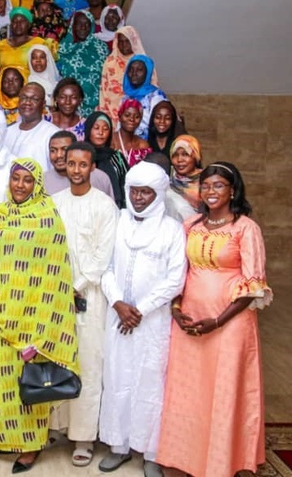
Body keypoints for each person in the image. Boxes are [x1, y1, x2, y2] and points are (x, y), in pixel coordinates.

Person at [157, 162, 272, 477]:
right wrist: (176, 310)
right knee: (189, 392)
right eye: (206, 185)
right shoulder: (190, 225)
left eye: (218, 185)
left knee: (223, 391)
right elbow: (179, 272)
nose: (210, 191)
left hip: (230, 324)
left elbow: (254, 285)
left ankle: (222, 461)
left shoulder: (245, 228)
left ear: (232, 190)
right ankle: (183, 458)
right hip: (190, 322)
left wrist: (218, 321)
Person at [0, 159, 79, 472]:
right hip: (3, 311)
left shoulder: (48, 216)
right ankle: (3, 437)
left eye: (28, 180)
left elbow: (58, 268)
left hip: (35, 313)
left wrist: (44, 319)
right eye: (16, 179)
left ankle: (31, 446)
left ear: (37, 184)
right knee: (3, 379)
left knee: (31, 382)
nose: (20, 185)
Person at [98, 160, 186, 477]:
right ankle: (119, 446)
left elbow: (175, 280)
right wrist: (119, 303)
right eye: (134, 191)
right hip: (117, 317)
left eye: (146, 192)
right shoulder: (118, 221)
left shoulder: (172, 230)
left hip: (152, 322)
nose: (138, 198)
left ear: (159, 194)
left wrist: (140, 309)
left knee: (150, 384)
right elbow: (105, 267)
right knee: (117, 379)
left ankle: (151, 452)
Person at [51, 142, 119, 468]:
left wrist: (74, 287)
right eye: (71, 163)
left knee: (88, 364)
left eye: (82, 164)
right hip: (55, 296)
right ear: (64, 165)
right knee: (58, 359)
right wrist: (57, 288)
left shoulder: (105, 206)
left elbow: (102, 257)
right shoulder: (54, 203)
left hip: (89, 297)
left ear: (93, 168)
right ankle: (59, 426)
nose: (76, 170)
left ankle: (84, 437)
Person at [99, 26, 157, 126]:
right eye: (121, 41)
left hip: (139, 114)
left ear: (133, 41)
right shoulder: (110, 62)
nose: (124, 45)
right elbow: (103, 89)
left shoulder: (143, 63)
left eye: (127, 41)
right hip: (112, 113)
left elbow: (153, 87)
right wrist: (105, 112)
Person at [57, 9, 109, 115]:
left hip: (95, 105)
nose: (83, 27)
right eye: (79, 24)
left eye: (87, 24)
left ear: (92, 26)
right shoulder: (63, 47)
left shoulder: (101, 48)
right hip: (68, 104)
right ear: (73, 25)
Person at [3, 83, 59, 173]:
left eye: (34, 99)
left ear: (43, 104)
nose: (27, 102)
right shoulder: (7, 132)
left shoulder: (53, 134)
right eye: (23, 98)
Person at [45, 130, 116, 198]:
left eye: (64, 149)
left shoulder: (100, 178)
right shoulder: (42, 181)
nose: (59, 155)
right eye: (53, 150)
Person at [85, 112, 128, 208]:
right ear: (88, 130)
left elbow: (126, 183)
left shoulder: (117, 157)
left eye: (105, 129)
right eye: (96, 128)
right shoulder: (82, 155)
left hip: (115, 208)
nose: (101, 132)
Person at [122, 55, 167, 139]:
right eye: (131, 69)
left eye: (139, 70)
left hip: (149, 143)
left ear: (147, 73)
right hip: (127, 143)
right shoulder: (126, 97)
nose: (134, 73)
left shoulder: (156, 96)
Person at [0, 7, 45, 73]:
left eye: (22, 21)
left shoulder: (39, 43)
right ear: (11, 25)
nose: (18, 24)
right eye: (14, 21)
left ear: (29, 25)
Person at [113, 99, 152, 167]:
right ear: (120, 116)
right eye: (127, 115)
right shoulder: (110, 140)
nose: (132, 119)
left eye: (137, 117)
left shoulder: (143, 146)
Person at [169, 134, 203, 211]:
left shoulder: (205, 180)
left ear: (195, 156)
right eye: (175, 155)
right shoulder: (167, 177)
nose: (179, 159)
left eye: (185, 154)